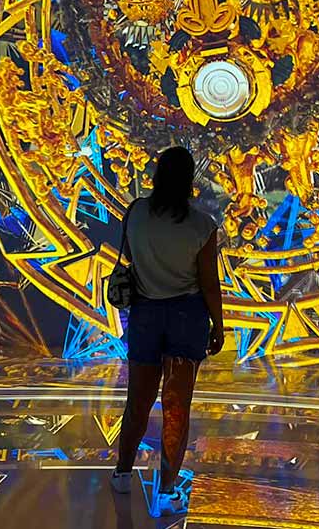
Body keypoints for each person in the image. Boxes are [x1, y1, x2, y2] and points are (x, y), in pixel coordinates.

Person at [109, 146, 225, 515]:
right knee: (177, 408)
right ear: (190, 180)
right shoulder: (202, 226)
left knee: (138, 402)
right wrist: (218, 324)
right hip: (186, 318)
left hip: (145, 314)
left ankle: (122, 474)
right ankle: (167, 490)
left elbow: (128, 253)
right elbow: (209, 283)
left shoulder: (136, 212)